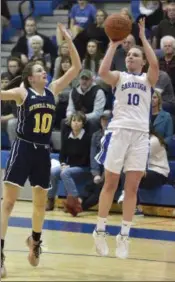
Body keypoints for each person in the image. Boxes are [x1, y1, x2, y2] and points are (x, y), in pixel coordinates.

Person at [0, 23, 81, 278]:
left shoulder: (52, 90)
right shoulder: (21, 92)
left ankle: (34, 242)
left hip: (43, 152)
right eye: (39, 71)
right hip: (23, 148)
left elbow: (77, 68)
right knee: (9, 204)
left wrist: (69, 41)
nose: (44, 73)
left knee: (39, 204)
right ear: (29, 77)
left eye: (45, 71)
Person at [92, 18, 159, 259]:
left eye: (135, 55)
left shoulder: (147, 80)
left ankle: (124, 235)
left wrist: (142, 39)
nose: (130, 57)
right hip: (119, 131)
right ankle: (100, 230)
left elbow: (155, 63)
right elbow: (101, 72)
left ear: (141, 61)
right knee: (110, 183)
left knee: (132, 187)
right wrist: (112, 44)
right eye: (128, 55)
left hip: (140, 135)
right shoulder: (119, 77)